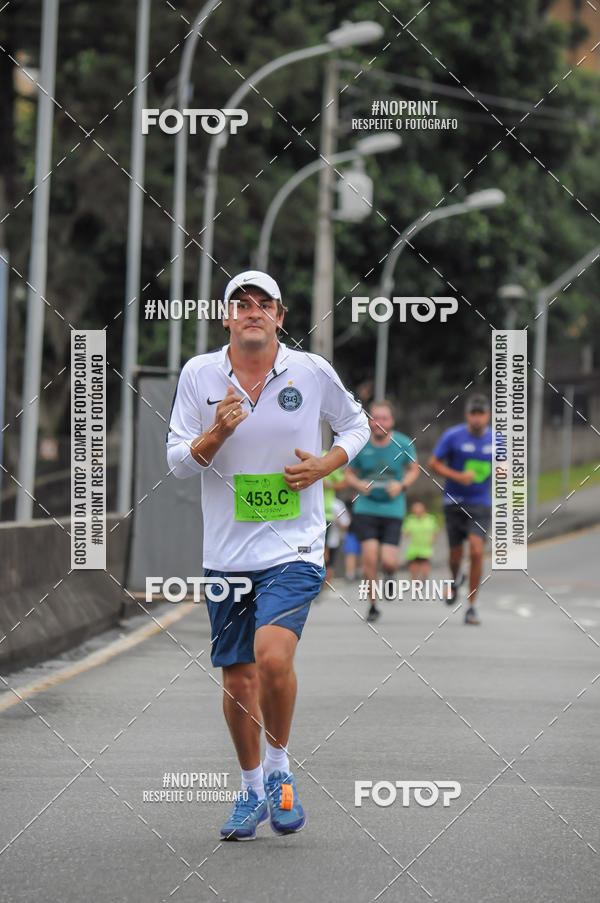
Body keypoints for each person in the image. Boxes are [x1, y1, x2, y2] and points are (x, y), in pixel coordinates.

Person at [166, 270, 369, 841]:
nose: (252, 311)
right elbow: (179, 460)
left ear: (280, 316)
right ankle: (251, 788)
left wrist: (326, 466)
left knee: (273, 659)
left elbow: (355, 425)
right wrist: (215, 435)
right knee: (238, 681)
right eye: (241, 303)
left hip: (295, 547)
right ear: (226, 316)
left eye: (265, 304)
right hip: (227, 554)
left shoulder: (310, 371)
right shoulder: (199, 374)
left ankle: (281, 772)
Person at [344, 400, 419, 622]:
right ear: (369, 420)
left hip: (392, 507)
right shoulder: (360, 443)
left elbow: (414, 469)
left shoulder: (403, 443)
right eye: (375, 418)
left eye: (384, 418)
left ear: (392, 421)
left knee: (388, 560)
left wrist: (402, 485)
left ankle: (389, 574)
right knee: (369, 558)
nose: (379, 423)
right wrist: (358, 485)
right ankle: (373, 605)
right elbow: (348, 472)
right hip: (366, 506)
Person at [428, 394, 493, 625]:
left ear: (488, 415)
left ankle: (472, 606)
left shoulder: (497, 440)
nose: (477, 418)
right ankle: (455, 580)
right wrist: (457, 476)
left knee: (476, 551)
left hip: (481, 503)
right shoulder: (453, 436)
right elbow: (433, 463)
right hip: (454, 501)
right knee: (455, 556)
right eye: (473, 413)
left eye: (481, 413)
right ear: (468, 415)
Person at [402, 501, 439, 582]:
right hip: (414, 546)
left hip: (425, 546)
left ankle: (424, 578)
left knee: (424, 563)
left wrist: (433, 539)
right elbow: (405, 532)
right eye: (415, 510)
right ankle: (414, 580)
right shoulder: (411, 519)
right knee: (413, 563)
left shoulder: (430, 519)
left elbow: (435, 530)